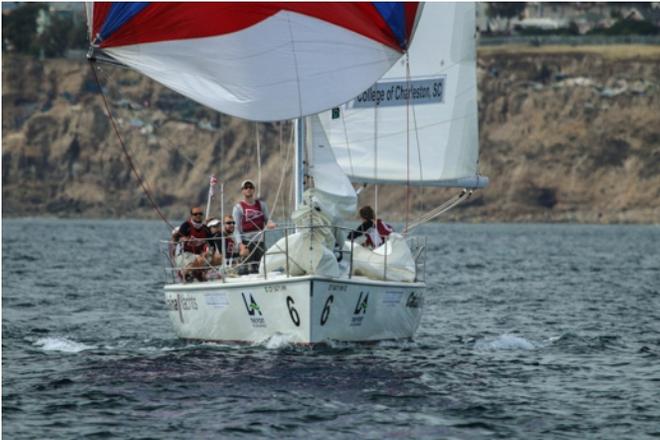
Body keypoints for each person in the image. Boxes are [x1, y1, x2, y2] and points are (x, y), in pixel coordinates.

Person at [232, 179, 276, 273]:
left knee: (263, 267)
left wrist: (270, 224)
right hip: (246, 242)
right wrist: (240, 245)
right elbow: (235, 228)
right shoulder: (238, 208)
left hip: (260, 241)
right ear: (242, 190)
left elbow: (267, 219)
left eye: (251, 187)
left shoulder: (262, 205)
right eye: (246, 187)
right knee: (246, 269)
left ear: (254, 190)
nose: (248, 189)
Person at [173, 206, 213, 281]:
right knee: (200, 259)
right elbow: (176, 240)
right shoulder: (186, 226)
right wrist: (183, 238)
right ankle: (184, 273)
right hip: (185, 254)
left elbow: (211, 245)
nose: (198, 215)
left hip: (200, 255)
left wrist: (207, 252)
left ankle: (203, 274)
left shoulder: (205, 229)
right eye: (195, 214)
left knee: (217, 258)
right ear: (191, 216)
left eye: (200, 214)